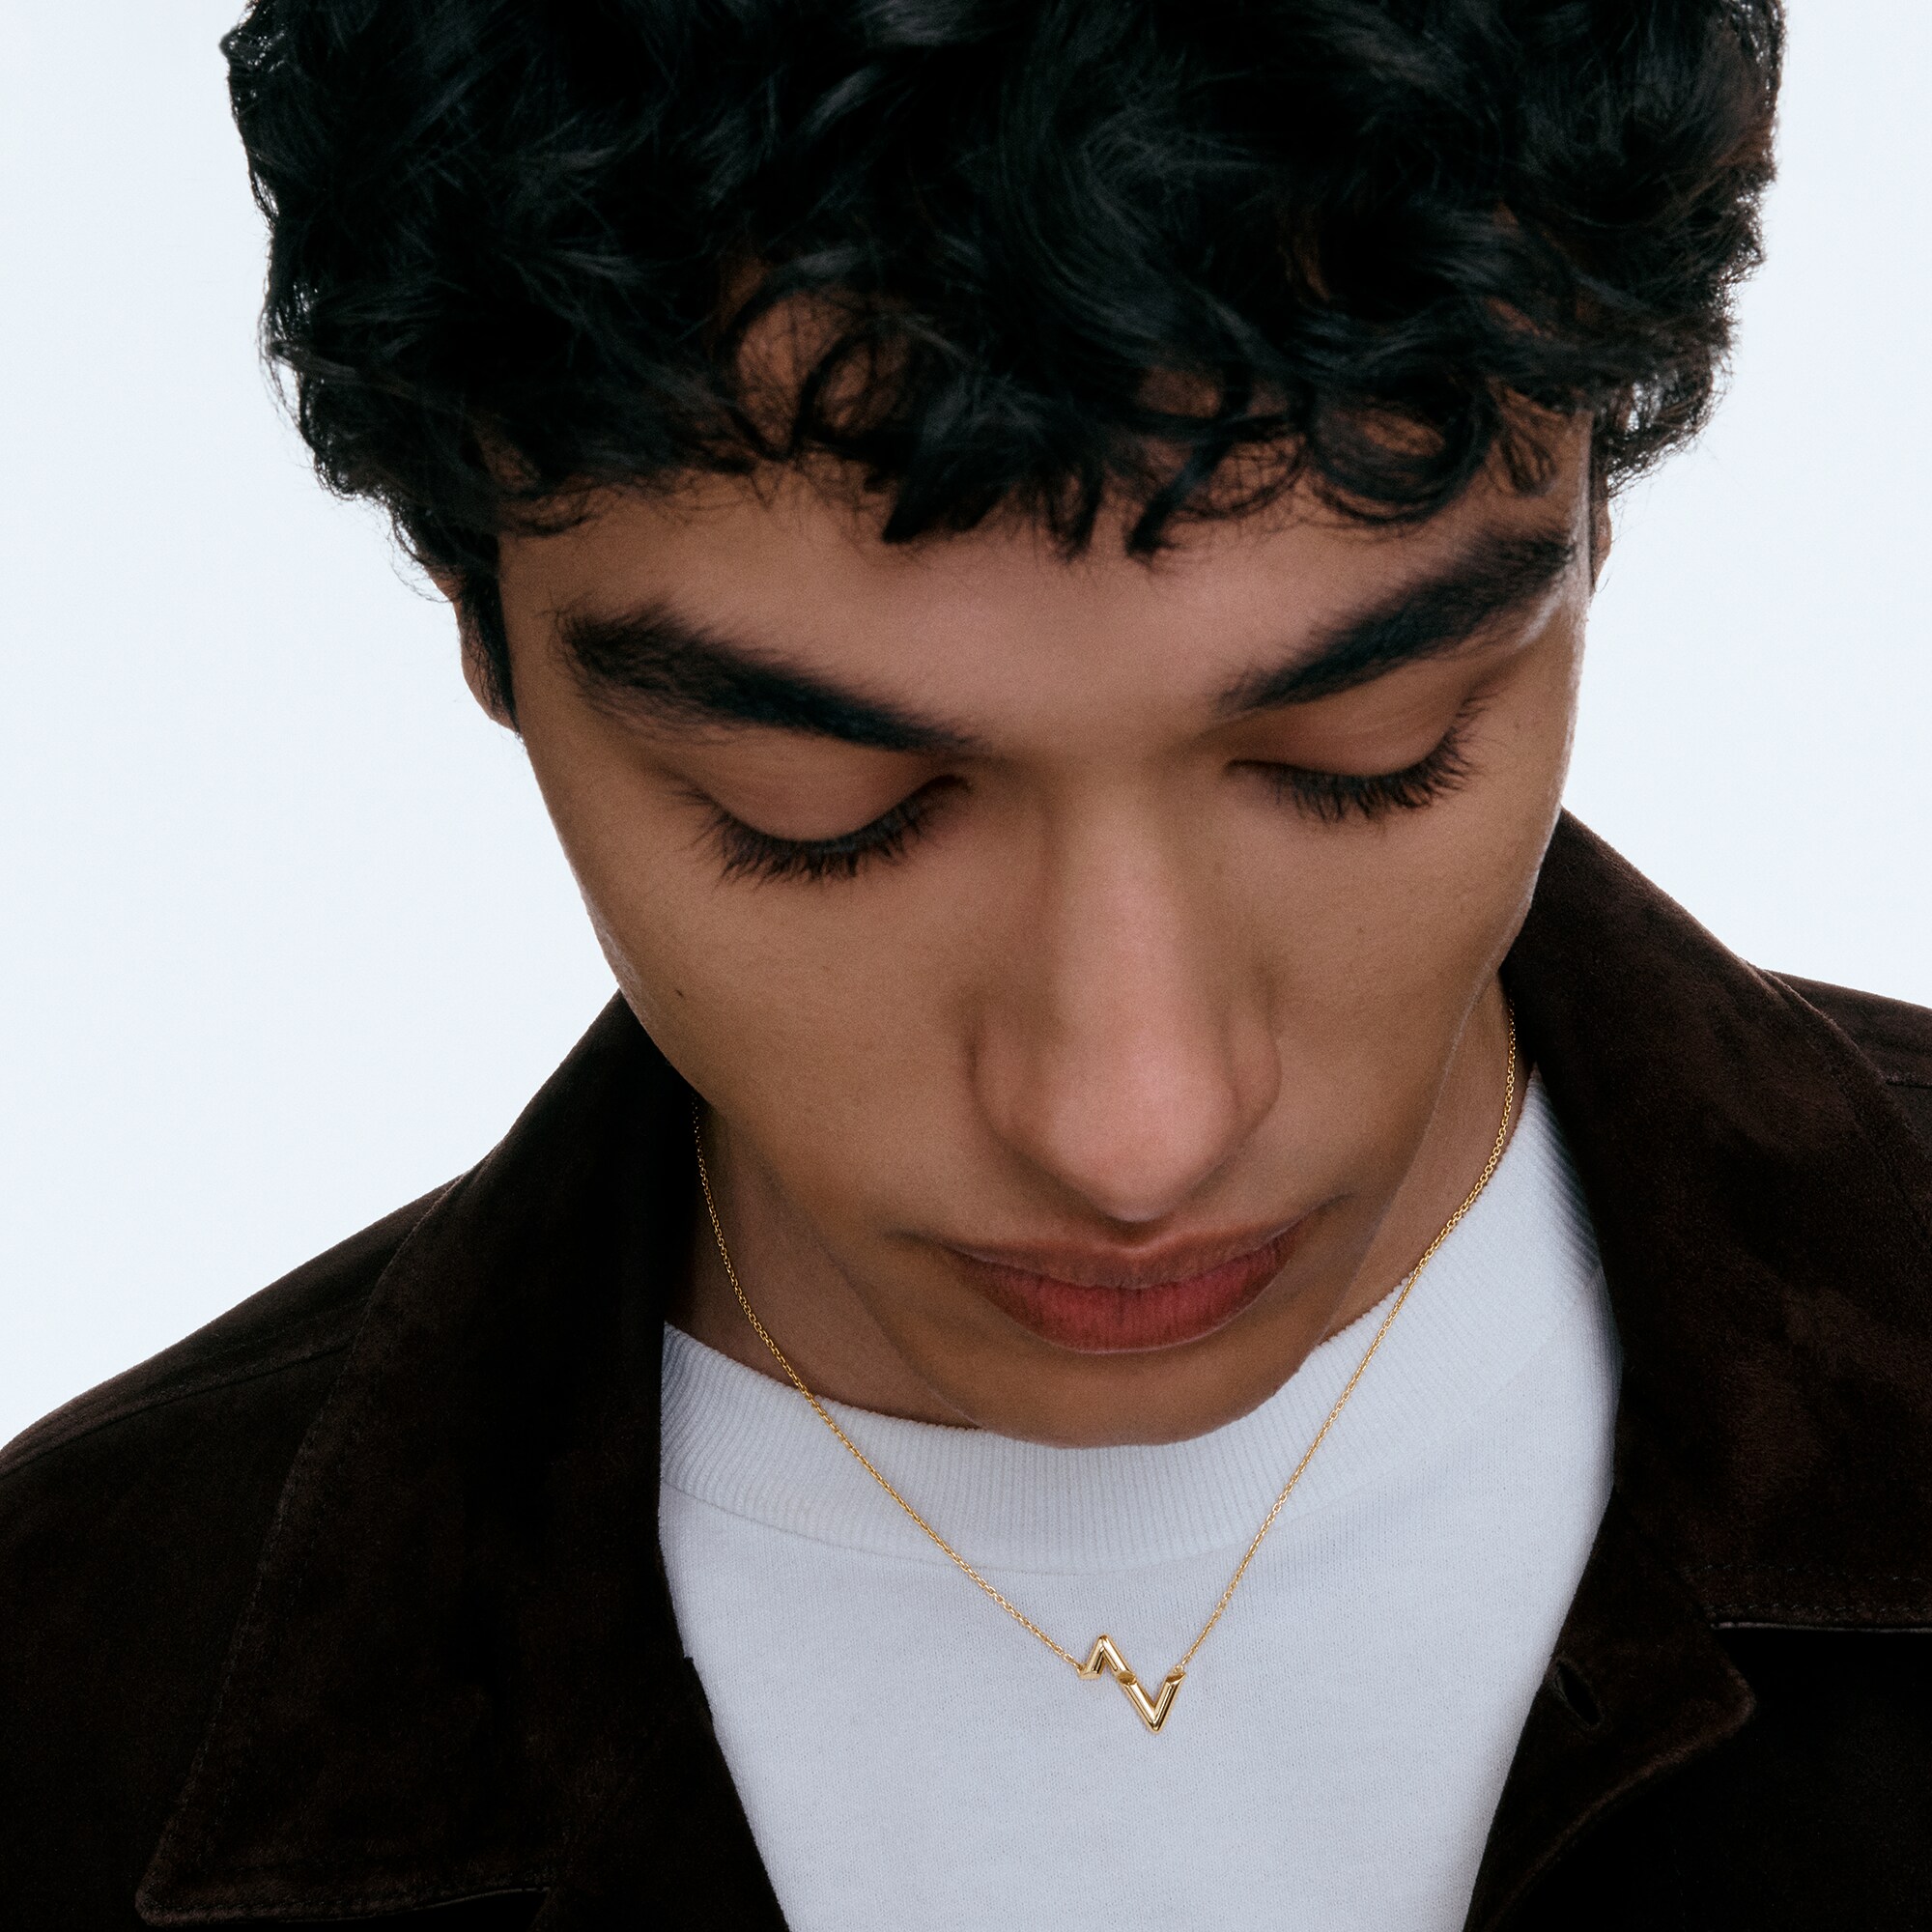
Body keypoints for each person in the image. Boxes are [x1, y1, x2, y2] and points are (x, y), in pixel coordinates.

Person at [10, 0, 1931, 1926]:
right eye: (822, 815)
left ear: (1589, 514)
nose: (1137, 1130)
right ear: (478, 610)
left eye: (1371, 754)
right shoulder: (66, 1703)